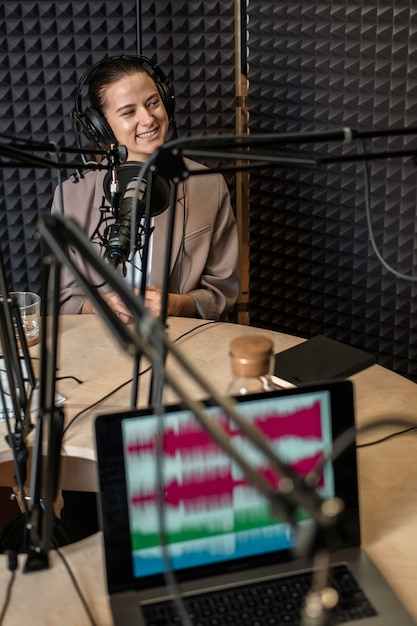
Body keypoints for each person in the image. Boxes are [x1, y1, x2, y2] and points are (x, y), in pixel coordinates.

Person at [51, 55, 239, 323]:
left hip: (179, 339)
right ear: (101, 128)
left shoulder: (208, 185)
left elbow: (224, 292)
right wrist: (99, 305)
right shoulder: (70, 197)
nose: (148, 119)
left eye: (153, 103)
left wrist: (175, 304)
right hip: (101, 342)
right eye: (129, 112)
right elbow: (59, 297)